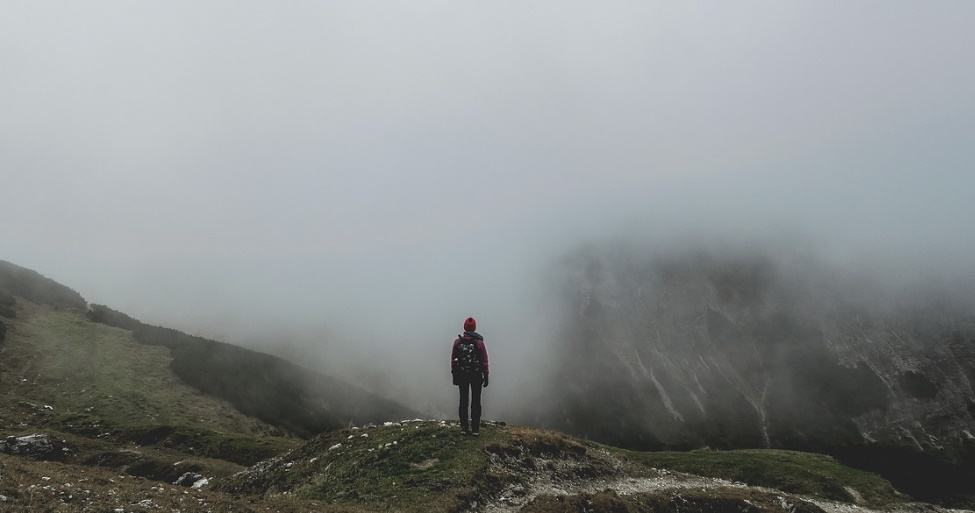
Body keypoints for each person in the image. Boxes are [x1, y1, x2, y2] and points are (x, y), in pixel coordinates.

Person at [451, 316, 489, 435]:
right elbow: (484, 361)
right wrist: (486, 375)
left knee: (463, 401)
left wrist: (454, 374)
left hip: (462, 374)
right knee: (476, 402)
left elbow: (453, 360)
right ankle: (475, 429)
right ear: (474, 327)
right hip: (476, 375)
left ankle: (464, 428)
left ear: (465, 328)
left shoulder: (458, 342)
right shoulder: (479, 343)